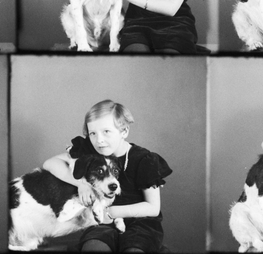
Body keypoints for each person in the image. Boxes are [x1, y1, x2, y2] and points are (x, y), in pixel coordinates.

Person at [43, 100, 171, 252]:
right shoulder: (92, 152)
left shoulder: (143, 159)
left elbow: (153, 208)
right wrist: (81, 184)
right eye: (93, 133)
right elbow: (50, 163)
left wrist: (110, 212)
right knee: (94, 248)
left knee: (134, 250)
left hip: (141, 224)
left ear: (124, 131)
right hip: (103, 224)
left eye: (106, 131)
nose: (99, 140)